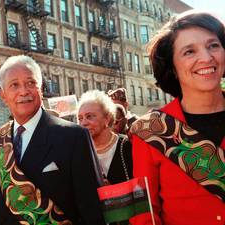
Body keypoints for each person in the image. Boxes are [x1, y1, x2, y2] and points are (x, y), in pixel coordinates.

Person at [0, 55, 105, 225]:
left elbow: (92, 209)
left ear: (40, 89)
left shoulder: (74, 137)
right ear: (3, 95)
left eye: (30, 83)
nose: (24, 91)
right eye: (14, 85)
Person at [130, 11, 225, 225]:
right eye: (189, 51)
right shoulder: (150, 130)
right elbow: (145, 214)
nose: (206, 58)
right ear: (172, 67)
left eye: (213, 45)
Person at [77, 90, 132, 185]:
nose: (84, 123)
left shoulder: (128, 145)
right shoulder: (78, 152)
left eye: (89, 116)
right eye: (80, 118)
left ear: (107, 118)